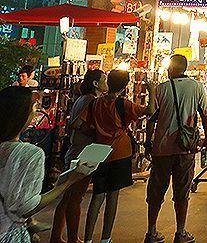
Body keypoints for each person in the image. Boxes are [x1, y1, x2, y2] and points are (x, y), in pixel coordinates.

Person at [0, 86, 99, 243]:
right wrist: (67, 182)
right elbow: (27, 206)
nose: (36, 110)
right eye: (33, 107)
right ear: (21, 114)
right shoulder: (29, 154)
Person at [145, 54, 207, 243]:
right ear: (185, 68)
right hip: (186, 148)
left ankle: (151, 232)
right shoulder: (197, 87)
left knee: (156, 191)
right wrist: (206, 138)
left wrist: (148, 142)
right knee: (182, 192)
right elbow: (205, 115)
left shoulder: (161, 89)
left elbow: (151, 119)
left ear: (171, 69)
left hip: (162, 148)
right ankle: (181, 232)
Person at [82, 69, 152, 243]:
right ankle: (106, 238)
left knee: (97, 196)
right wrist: (152, 91)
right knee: (113, 196)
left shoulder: (95, 104)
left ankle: (88, 239)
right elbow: (149, 111)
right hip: (120, 153)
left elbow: (83, 124)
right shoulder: (124, 104)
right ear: (125, 85)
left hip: (99, 153)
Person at [50, 69, 106, 243]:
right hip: (83, 152)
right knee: (75, 198)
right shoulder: (90, 100)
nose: (107, 82)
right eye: (104, 79)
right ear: (96, 84)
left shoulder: (84, 99)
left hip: (77, 149)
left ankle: (57, 237)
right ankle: (73, 238)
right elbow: (76, 124)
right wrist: (95, 131)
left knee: (68, 197)